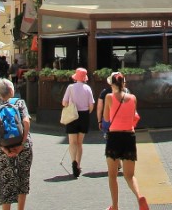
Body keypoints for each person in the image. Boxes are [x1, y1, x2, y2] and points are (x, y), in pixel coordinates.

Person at [103, 72, 149, 210]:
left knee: (112, 175)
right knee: (129, 175)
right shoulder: (133, 98)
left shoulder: (109, 97)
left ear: (112, 84)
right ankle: (140, 197)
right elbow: (132, 116)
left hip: (114, 137)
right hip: (129, 136)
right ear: (124, 83)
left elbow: (106, 118)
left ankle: (115, 206)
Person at [0, 78, 32, 210]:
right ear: (12, 91)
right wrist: (22, 144)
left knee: (5, 183)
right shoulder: (20, 103)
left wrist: (4, 148)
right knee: (22, 180)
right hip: (24, 147)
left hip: (4, 150)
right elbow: (26, 122)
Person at [62, 67, 95, 178]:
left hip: (72, 115)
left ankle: (73, 162)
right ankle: (78, 164)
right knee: (80, 142)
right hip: (84, 115)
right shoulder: (88, 88)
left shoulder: (70, 87)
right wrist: (86, 112)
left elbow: (64, 102)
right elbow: (91, 106)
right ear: (85, 77)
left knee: (72, 142)